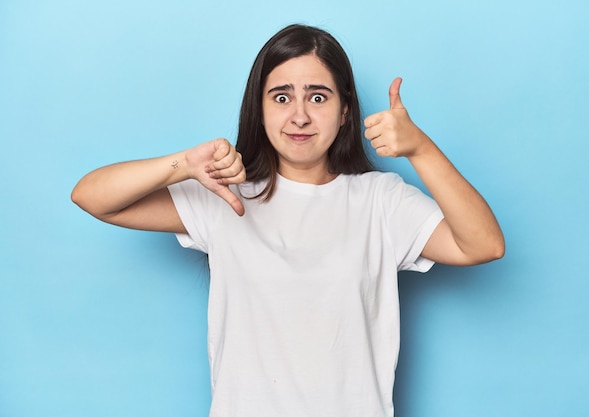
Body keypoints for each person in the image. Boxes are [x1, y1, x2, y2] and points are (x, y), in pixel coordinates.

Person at [72, 24, 504, 417]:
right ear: (259, 108)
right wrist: (184, 164)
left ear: (345, 111)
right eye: (282, 97)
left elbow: (483, 244)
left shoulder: (381, 202)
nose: (299, 115)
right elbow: (92, 197)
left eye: (318, 97)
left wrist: (420, 149)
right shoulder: (226, 195)